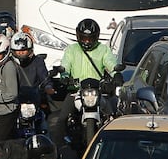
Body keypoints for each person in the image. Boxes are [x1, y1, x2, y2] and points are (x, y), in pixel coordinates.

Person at [49, 18, 120, 148]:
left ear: (96, 37)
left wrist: (116, 74)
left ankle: (113, 147)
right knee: (62, 119)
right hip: (76, 90)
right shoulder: (71, 49)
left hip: (98, 91)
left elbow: (110, 63)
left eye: (90, 39)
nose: (87, 42)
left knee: (113, 117)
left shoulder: (103, 49)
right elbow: (65, 65)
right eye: (84, 38)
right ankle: (57, 152)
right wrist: (64, 75)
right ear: (78, 36)